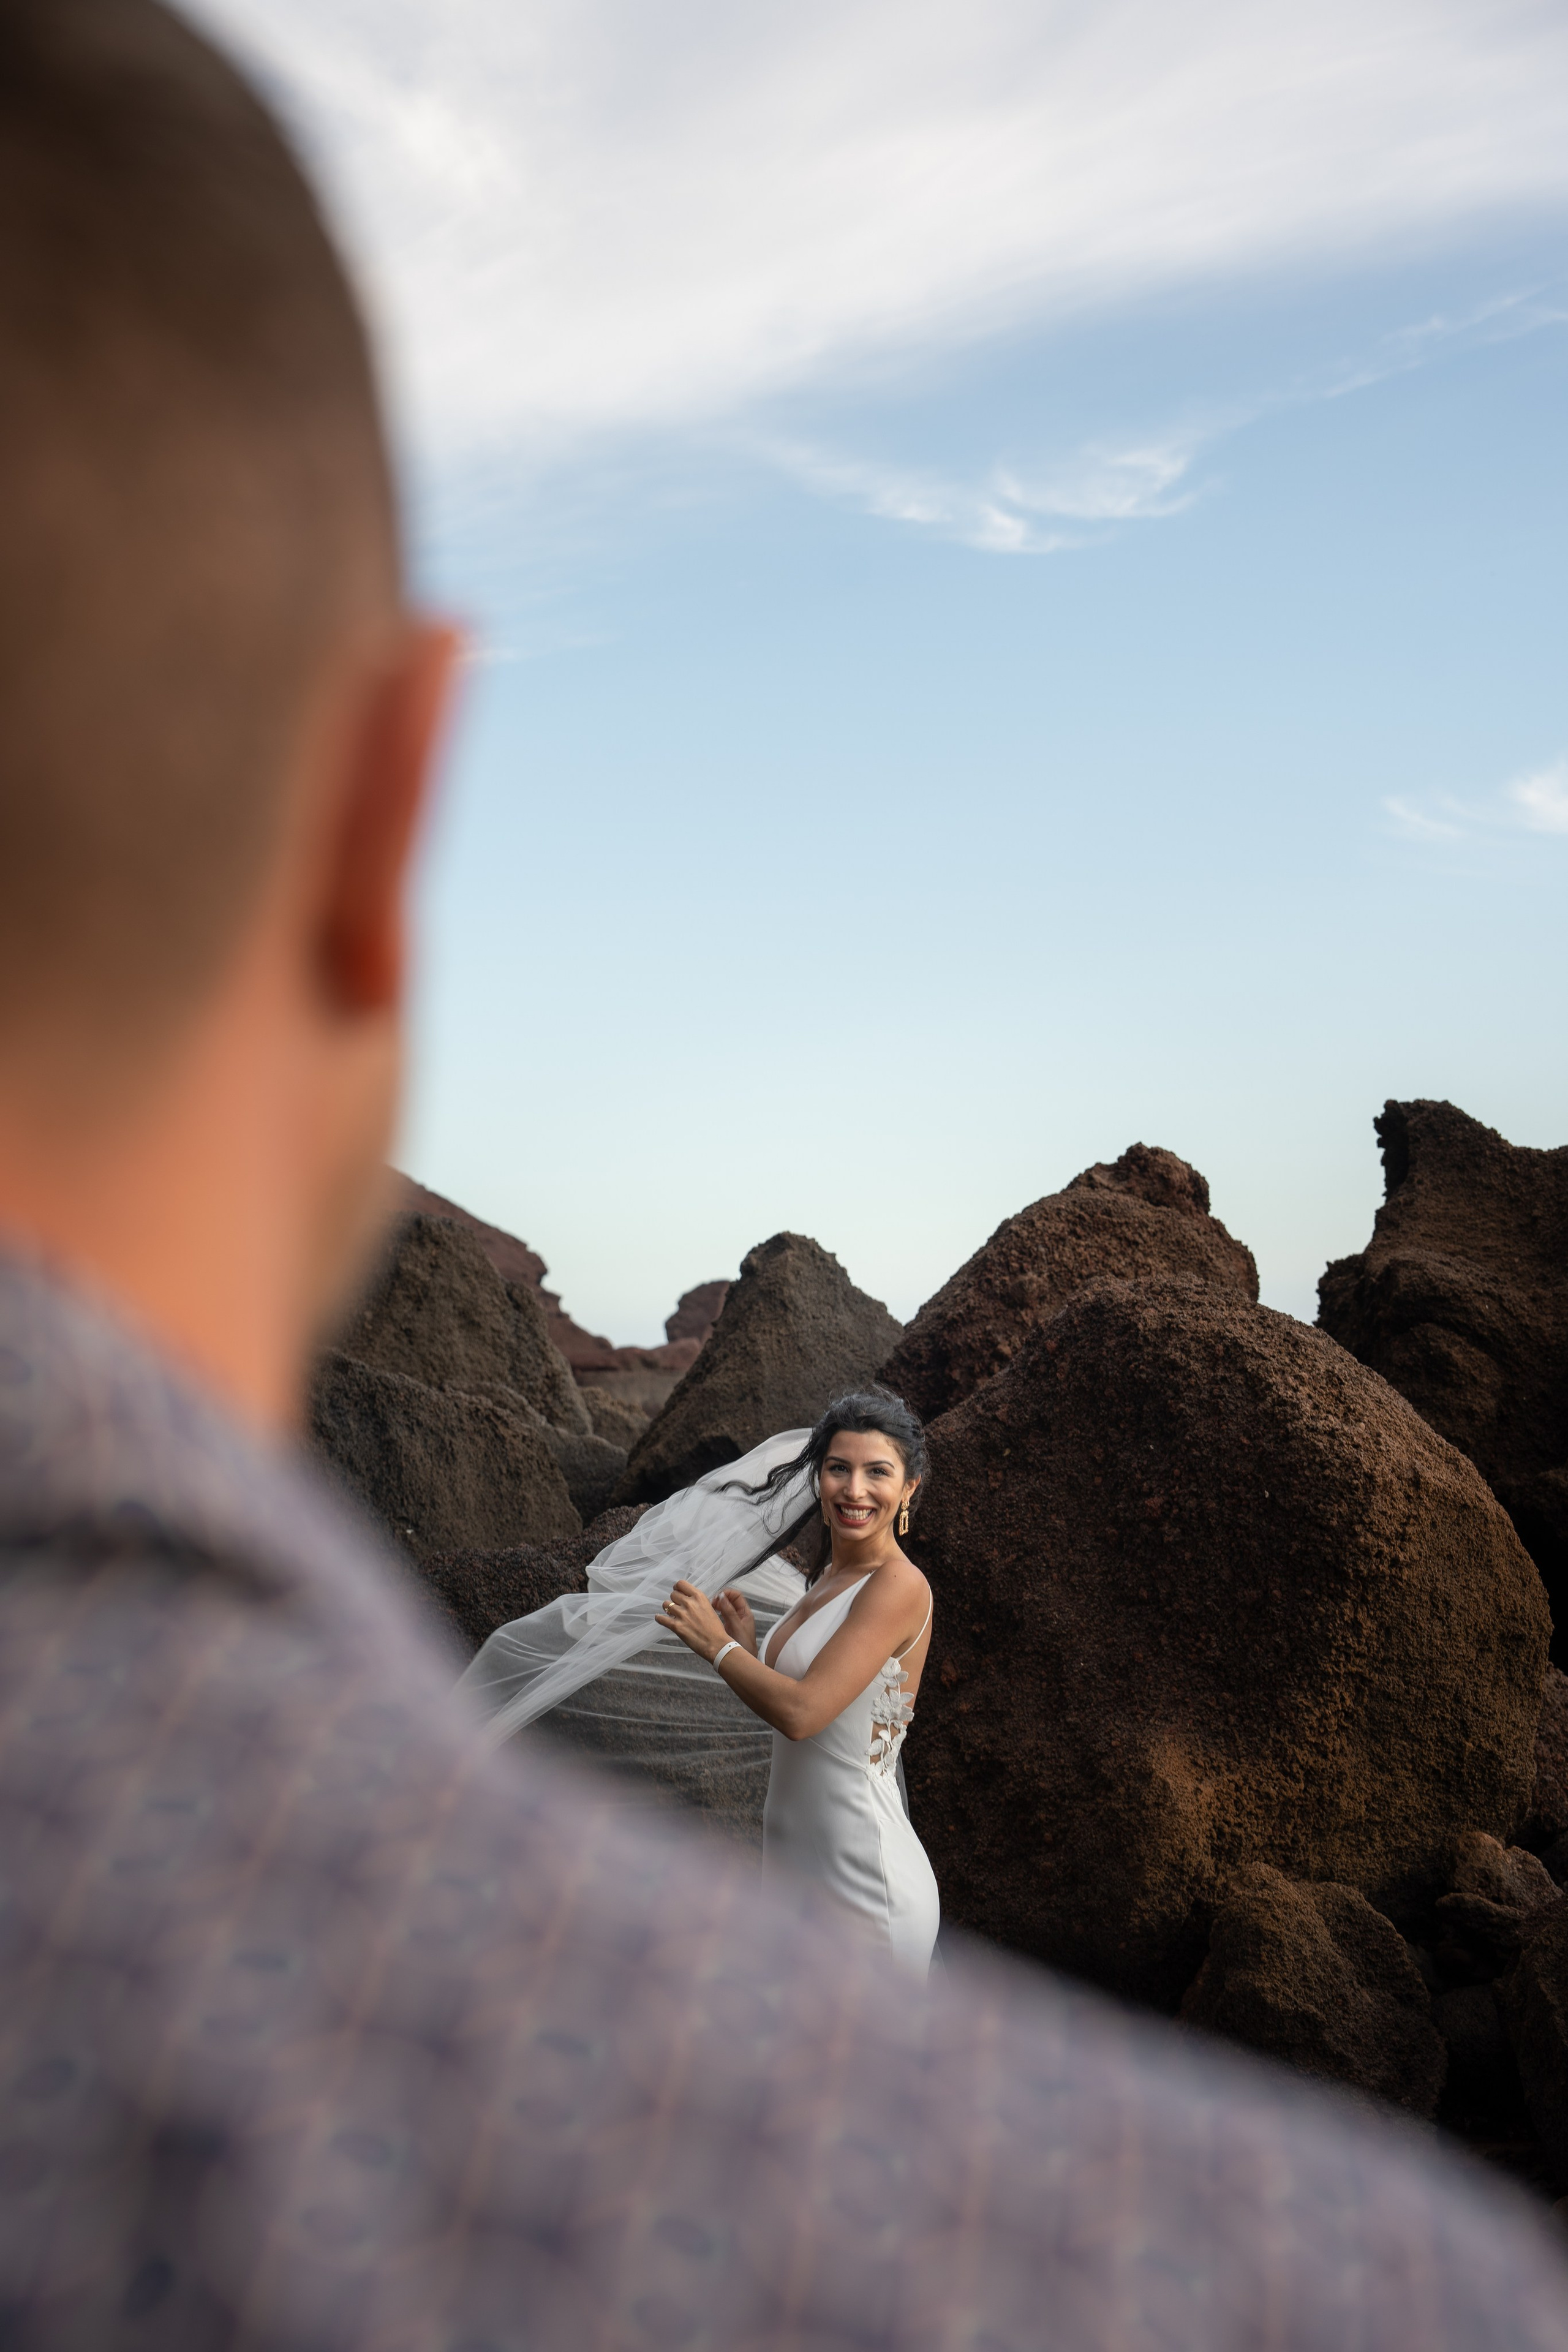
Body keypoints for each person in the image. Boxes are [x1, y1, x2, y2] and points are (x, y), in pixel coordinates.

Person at [2, 1, 1568, 2345]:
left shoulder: (885, 1592)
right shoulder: (1235, 2286)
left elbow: (800, 1721)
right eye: (824, 1455)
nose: (838, 1480)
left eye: (855, 1459)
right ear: (388, 803)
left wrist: (690, 1627)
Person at [655, 1392, 942, 1975]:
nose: (854, 1490)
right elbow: (820, 1721)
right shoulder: (827, 1579)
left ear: (909, 1488)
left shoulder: (900, 1585)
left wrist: (719, 1646)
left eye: (877, 1472)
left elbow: (803, 1715)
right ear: (819, 1477)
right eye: (839, 1468)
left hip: (864, 1881)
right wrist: (752, 1647)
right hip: (795, 1869)